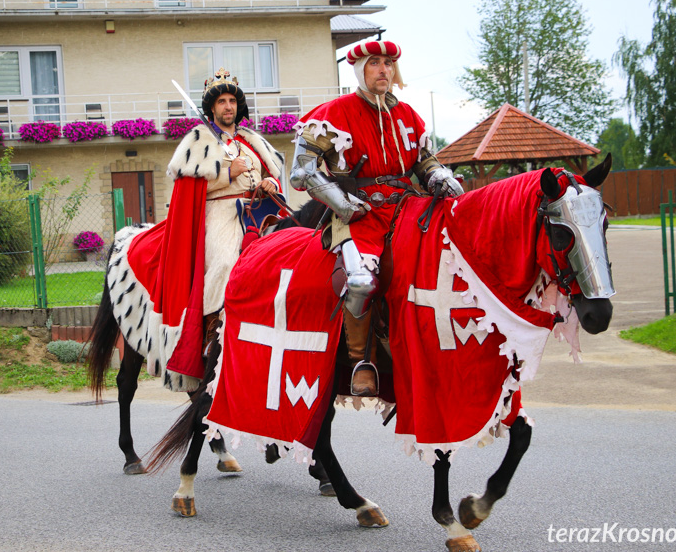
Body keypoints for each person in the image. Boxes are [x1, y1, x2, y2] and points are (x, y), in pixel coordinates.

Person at [290, 40, 463, 397]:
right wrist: (341, 202)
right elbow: (301, 172)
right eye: (375, 64)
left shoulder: (408, 114)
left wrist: (440, 177)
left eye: (388, 63)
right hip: (358, 212)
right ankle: (361, 362)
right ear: (360, 69)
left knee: (440, 263)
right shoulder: (332, 114)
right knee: (361, 281)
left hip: (406, 207)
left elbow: (423, 160)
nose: (384, 70)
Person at [155, 67, 284, 387]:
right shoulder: (198, 139)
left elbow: (272, 171)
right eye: (222, 102)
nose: (228, 106)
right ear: (212, 108)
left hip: (259, 211)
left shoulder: (252, 140)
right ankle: (212, 328)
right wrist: (228, 174)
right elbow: (186, 186)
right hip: (220, 212)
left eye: (232, 101)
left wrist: (270, 181)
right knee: (226, 262)